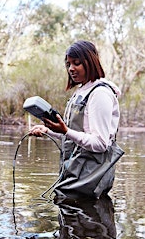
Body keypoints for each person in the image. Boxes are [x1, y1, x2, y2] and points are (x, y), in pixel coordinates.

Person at [29, 40, 124, 199]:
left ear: (91, 62)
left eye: (77, 63)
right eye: (68, 64)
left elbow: (100, 143)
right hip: (75, 172)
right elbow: (75, 137)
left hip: (90, 177)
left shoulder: (100, 94)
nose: (71, 68)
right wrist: (50, 131)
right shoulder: (81, 92)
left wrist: (65, 130)